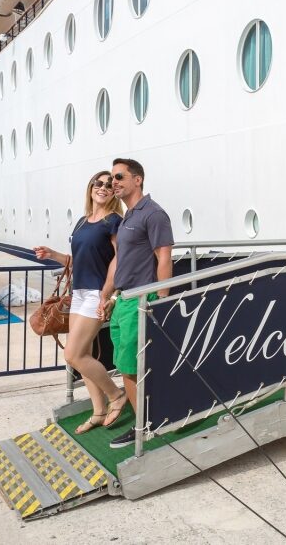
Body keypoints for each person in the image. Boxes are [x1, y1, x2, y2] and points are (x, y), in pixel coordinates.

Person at [34, 172, 125, 434]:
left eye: (110, 185)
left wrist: (108, 294)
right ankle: (98, 410)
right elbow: (78, 261)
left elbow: (118, 260)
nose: (104, 188)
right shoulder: (82, 222)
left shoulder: (114, 221)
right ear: (91, 187)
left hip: (97, 294)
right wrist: (52, 255)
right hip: (79, 293)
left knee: (72, 353)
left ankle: (115, 395)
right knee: (79, 357)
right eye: (100, 183)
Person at [99, 158, 174, 449]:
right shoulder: (129, 215)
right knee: (127, 366)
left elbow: (163, 257)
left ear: (137, 179)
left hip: (142, 298)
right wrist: (110, 295)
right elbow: (122, 260)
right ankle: (144, 419)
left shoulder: (153, 214)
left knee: (133, 364)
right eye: (111, 178)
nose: (113, 183)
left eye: (119, 177)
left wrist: (163, 300)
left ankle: (145, 424)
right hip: (124, 299)